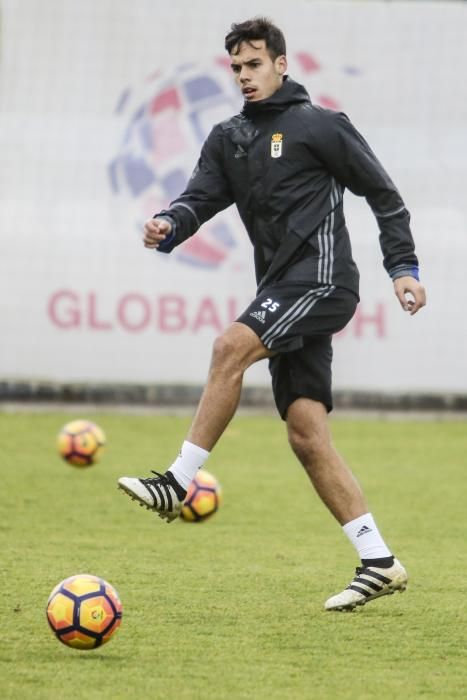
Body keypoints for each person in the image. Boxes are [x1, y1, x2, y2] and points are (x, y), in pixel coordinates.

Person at [118, 17, 426, 611]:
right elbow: (198, 197)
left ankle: (177, 482)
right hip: (283, 287)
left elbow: (384, 195)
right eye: (236, 67)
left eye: (254, 65)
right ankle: (378, 561)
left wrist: (404, 268)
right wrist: (169, 224)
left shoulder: (320, 125)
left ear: (281, 64)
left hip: (323, 281)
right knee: (307, 435)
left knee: (229, 346)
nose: (244, 76)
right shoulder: (228, 137)